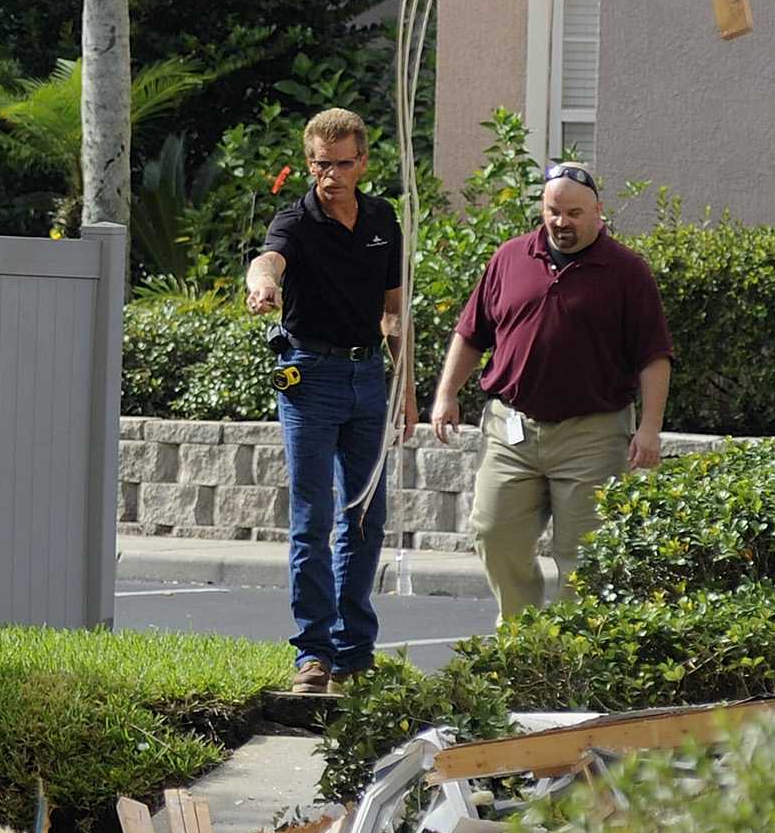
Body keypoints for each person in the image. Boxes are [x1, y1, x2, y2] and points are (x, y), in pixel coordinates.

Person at [425, 160, 674, 622]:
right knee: (493, 532)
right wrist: (446, 394)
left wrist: (651, 429)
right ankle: (523, 639)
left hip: (592, 435)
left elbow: (654, 357)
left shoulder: (627, 271)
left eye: (575, 213)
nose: (563, 223)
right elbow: (470, 333)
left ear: (598, 210)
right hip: (510, 428)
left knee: (586, 556)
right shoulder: (509, 258)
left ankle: (578, 655)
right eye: (554, 211)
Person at [242, 108, 406, 693]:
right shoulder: (297, 220)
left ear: (362, 162)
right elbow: (269, 259)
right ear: (309, 161)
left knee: (364, 517)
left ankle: (354, 653)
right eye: (318, 163)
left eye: (341, 163)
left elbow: (393, 310)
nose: (329, 175)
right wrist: (262, 284)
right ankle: (312, 655)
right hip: (309, 375)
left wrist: (404, 389)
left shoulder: (383, 217)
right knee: (312, 520)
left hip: (368, 379)